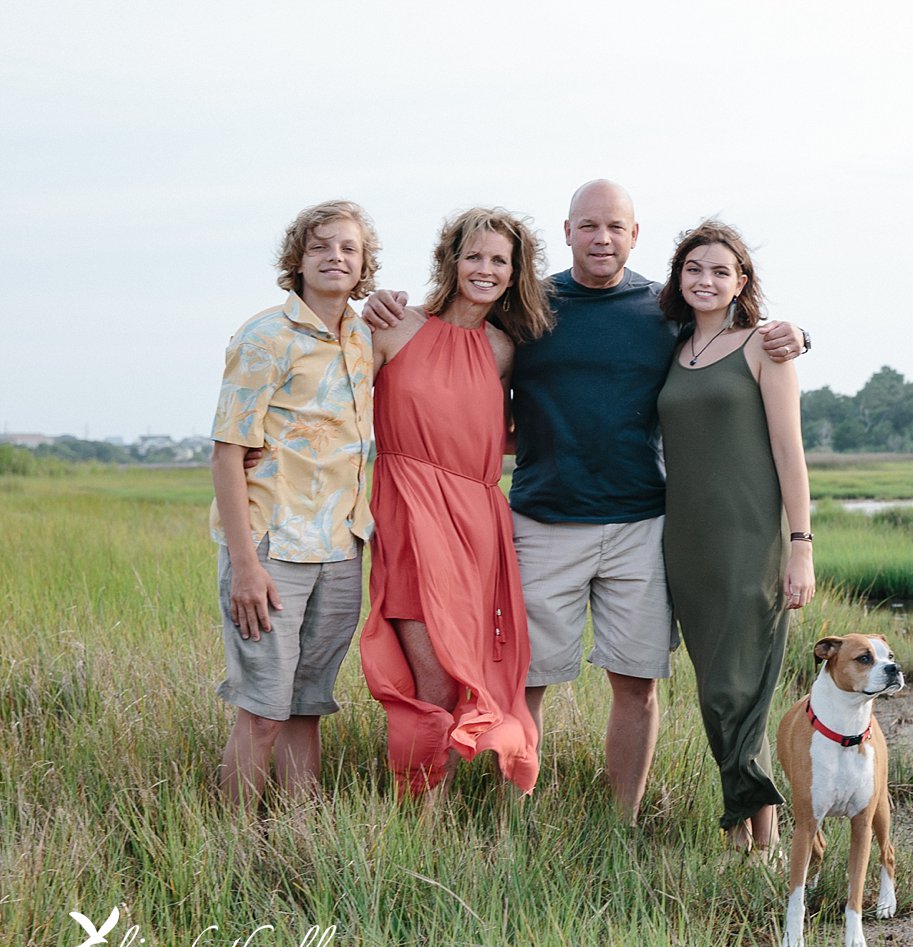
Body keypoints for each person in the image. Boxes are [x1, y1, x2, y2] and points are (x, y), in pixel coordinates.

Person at [363, 180, 807, 824]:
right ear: (567, 232)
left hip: (642, 524)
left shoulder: (665, 309)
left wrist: (795, 332)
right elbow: (450, 344)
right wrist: (381, 302)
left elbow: (732, 335)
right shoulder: (527, 307)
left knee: (636, 682)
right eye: (589, 226)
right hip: (543, 521)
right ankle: (514, 816)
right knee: (527, 680)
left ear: (635, 235)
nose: (603, 238)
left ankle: (620, 825)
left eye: (616, 227)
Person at [358, 207, 554, 806]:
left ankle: (494, 816)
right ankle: (421, 821)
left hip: (478, 523)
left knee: (492, 673)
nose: (485, 269)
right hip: (410, 515)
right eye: (474, 256)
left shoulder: (502, 349)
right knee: (435, 679)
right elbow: (333, 408)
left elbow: (506, 430)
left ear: (515, 272)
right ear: (451, 260)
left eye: (499, 260)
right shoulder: (393, 328)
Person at [209, 200, 379, 812]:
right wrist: (246, 567)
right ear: (298, 260)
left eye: (348, 249)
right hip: (272, 546)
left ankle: (300, 841)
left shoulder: (364, 337)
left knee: (308, 707)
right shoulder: (265, 336)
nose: (335, 257)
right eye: (321, 247)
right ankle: (228, 851)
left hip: (339, 547)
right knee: (262, 711)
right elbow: (227, 454)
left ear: (364, 266)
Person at [657, 221, 814, 851]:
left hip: (751, 540)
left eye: (721, 271)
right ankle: (747, 833)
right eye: (695, 268)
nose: (706, 280)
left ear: (741, 282)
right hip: (686, 544)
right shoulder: (670, 349)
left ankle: (764, 838)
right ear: (679, 276)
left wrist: (800, 545)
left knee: (739, 687)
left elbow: (789, 450)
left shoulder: (762, 348)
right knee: (713, 690)